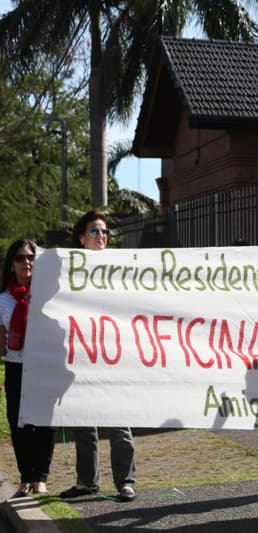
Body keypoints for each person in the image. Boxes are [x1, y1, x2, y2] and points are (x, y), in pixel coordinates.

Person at [59, 210, 138, 503]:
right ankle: (86, 481)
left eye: (104, 232)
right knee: (84, 423)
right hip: (81, 356)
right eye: (95, 231)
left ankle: (126, 482)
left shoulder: (119, 268)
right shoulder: (69, 272)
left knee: (119, 421)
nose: (102, 236)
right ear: (81, 238)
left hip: (113, 355)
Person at [0, 239, 55, 498]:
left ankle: (40, 477)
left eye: (31, 257)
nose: (27, 262)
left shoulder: (47, 294)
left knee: (44, 422)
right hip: (16, 367)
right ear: (11, 265)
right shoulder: (2, 301)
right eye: (20, 258)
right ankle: (24, 476)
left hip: (43, 366)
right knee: (19, 424)